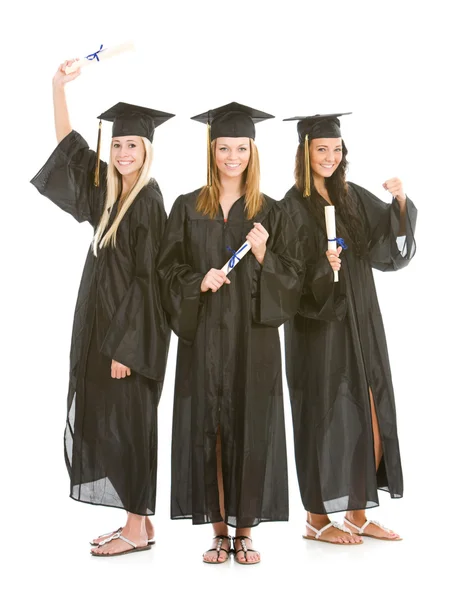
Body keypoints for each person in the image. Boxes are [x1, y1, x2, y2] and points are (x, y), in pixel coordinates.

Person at [30, 59, 174, 557]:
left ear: (147, 150)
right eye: (117, 143)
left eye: (132, 143)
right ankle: (139, 523)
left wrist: (126, 348)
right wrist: (57, 88)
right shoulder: (108, 193)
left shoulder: (149, 201)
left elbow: (147, 282)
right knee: (113, 419)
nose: (123, 151)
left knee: (132, 421)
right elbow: (68, 144)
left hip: (129, 337)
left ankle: (135, 527)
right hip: (99, 326)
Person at [157, 102, 303, 564]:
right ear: (212, 149)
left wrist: (264, 257)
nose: (233, 156)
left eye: (241, 147)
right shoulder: (186, 206)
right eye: (224, 147)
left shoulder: (271, 212)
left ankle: (246, 530)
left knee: (249, 427)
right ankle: (218, 530)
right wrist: (197, 281)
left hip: (251, 340)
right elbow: (165, 270)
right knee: (210, 429)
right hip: (204, 340)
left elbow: (294, 278)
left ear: (253, 151)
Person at [282, 112, 417, 545]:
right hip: (316, 323)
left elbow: (387, 251)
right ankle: (316, 518)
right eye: (321, 149)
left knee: (371, 407)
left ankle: (358, 512)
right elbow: (283, 276)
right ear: (305, 152)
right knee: (321, 414)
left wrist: (399, 205)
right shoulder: (289, 205)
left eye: (336, 149)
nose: (329, 156)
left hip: (361, 314)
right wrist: (321, 270)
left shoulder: (352, 197)